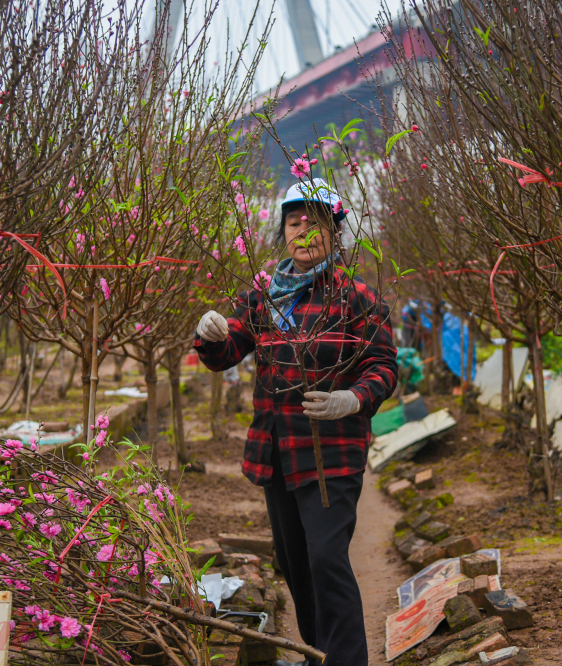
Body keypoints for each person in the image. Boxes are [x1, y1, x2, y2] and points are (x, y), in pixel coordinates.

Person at [193, 178, 398, 666]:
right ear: (283, 231)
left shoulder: (354, 297)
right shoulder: (263, 296)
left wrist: (352, 398)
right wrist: (212, 334)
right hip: (277, 453)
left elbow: (385, 365)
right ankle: (316, 655)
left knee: (327, 559)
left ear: (336, 231)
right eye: (294, 221)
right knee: (296, 564)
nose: (304, 231)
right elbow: (227, 353)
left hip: (332, 455)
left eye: (316, 222)